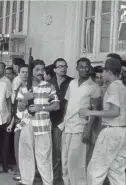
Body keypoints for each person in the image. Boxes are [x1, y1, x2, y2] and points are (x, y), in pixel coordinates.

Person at [79, 58, 126, 185]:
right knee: (117, 172)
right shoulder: (122, 86)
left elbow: (114, 111)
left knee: (95, 170)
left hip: (111, 131)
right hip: (122, 131)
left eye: (104, 70)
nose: (102, 74)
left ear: (109, 71)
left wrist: (90, 112)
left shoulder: (114, 87)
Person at [17, 59, 60, 185]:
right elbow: (20, 108)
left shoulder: (49, 86)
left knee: (44, 156)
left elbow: (56, 105)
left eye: (42, 69)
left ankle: (47, 182)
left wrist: (41, 108)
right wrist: (25, 99)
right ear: (31, 71)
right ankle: (26, 181)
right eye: (37, 69)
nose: (40, 72)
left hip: (43, 125)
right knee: (26, 154)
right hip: (27, 124)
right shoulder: (24, 87)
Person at [59, 57, 101, 185]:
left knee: (77, 162)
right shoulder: (72, 83)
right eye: (81, 66)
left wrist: (88, 129)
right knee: (65, 160)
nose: (84, 69)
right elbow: (68, 104)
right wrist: (64, 122)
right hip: (67, 127)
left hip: (80, 128)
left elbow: (95, 110)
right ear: (77, 68)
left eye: (87, 66)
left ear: (90, 68)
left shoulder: (93, 87)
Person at [47, 58, 73, 184]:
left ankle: (64, 178)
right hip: (52, 120)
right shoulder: (49, 83)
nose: (63, 69)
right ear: (54, 69)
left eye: (65, 66)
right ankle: (55, 178)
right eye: (60, 66)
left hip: (67, 120)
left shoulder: (72, 82)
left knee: (64, 152)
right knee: (54, 151)